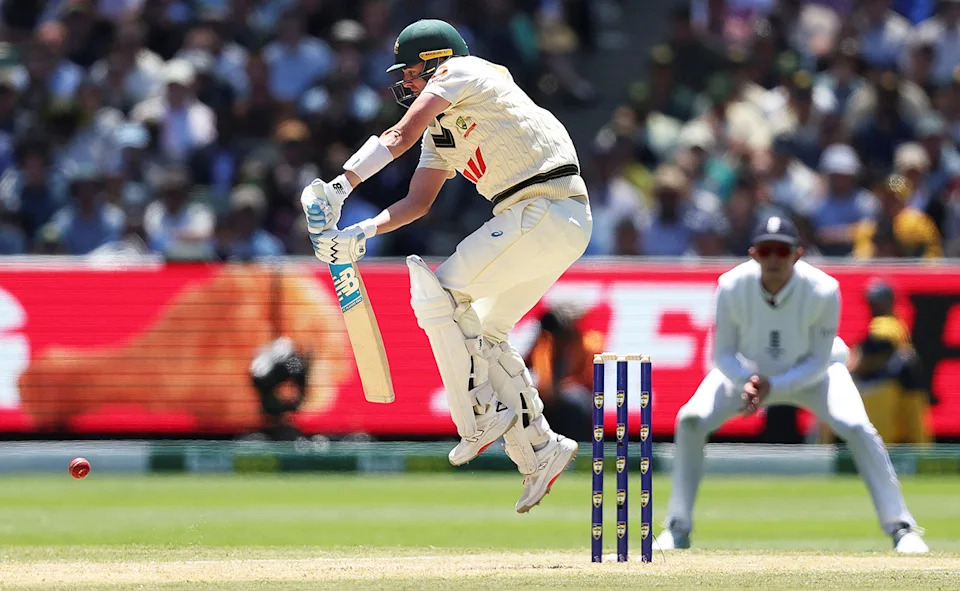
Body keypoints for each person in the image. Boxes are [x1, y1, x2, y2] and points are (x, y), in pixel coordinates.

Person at [299, 19, 591, 512]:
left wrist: (340, 187)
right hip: (555, 220)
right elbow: (417, 202)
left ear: (437, 61)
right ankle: (540, 449)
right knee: (488, 332)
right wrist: (358, 234)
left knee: (439, 293)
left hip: (543, 205)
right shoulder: (442, 132)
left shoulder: (465, 71)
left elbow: (398, 134)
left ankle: (477, 415)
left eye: (411, 71)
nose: (406, 82)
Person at [657, 215, 929, 554]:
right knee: (690, 420)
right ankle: (678, 526)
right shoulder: (730, 285)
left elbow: (818, 360)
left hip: (816, 375)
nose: (773, 258)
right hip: (748, 375)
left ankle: (901, 527)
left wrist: (771, 385)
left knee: (858, 427)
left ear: (798, 254)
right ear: (753, 254)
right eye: (766, 250)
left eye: (782, 251)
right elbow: (722, 354)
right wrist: (747, 381)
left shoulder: (823, 289)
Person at [847, 280, 933, 444]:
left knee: (881, 441)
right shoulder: (897, 323)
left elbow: (879, 344)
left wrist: (854, 364)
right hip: (902, 389)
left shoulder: (884, 323)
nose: (873, 306)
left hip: (884, 387)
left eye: (876, 302)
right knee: (913, 439)